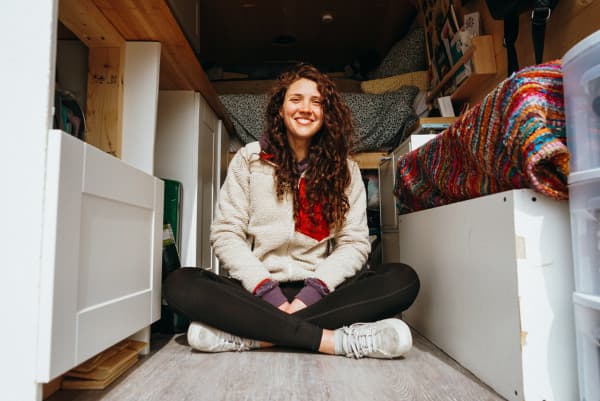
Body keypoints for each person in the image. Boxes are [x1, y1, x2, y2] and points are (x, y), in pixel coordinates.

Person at [164, 64, 420, 359]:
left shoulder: (345, 169)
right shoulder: (249, 159)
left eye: (317, 102)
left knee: (403, 279)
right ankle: (337, 342)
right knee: (179, 283)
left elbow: (355, 243)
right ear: (281, 109)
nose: (306, 108)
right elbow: (226, 234)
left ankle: (250, 338)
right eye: (296, 99)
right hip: (257, 293)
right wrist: (266, 291)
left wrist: (310, 295)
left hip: (323, 295)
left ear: (327, 114)